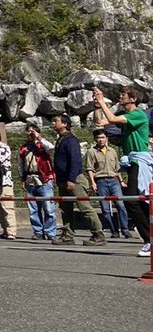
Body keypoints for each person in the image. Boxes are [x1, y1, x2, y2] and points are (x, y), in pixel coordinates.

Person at [93, 85, 152, 256]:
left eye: (124, 95)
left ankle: (149, 240)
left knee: (134, 199)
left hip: (140, 161)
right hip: (132, 162)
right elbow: (100, 122)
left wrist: (102, 100)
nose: (120, 96)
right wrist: (98, 105)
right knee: (139, 201)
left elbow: (110, 118)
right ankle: (149, 238)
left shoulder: (138, 115)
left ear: (133, 99)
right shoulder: (126, 116)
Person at [50, 114, 106, 246]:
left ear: (65, 124)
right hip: (63, 180)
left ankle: (99, 234)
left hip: (74, 179)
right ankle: (68, 235)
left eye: (56, 121)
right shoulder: (60, 140)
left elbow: (75, 161)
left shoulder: (71, 140)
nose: (53, 124)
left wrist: (71, 179)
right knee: (65, 208)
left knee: (85, 207)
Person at [85, 128, 129, 238]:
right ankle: (113, 231)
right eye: (98, 138)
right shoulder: (92, 152)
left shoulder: (112, 151)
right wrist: (92, 183)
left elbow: (117, 168)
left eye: (103, 137)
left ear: (107, 138)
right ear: (95, 139)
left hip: (114, 181)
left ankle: (125, 229)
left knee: (121, 205)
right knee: (105, 209)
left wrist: (121, 181)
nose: (101, 140)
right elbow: (90, 168)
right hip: (101, 181)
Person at [18, 125, 57, 240]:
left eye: (32, 131)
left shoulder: (42, 145)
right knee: (33, 208)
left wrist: (39, 138)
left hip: (44, 178)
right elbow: (20, 164)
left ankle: (50, 232)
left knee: (49, 208)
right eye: (28, 132)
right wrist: (22, 178)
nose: (30, 134)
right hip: (30, 178)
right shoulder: (24, 148)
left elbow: (51, 148)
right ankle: (38, 231)